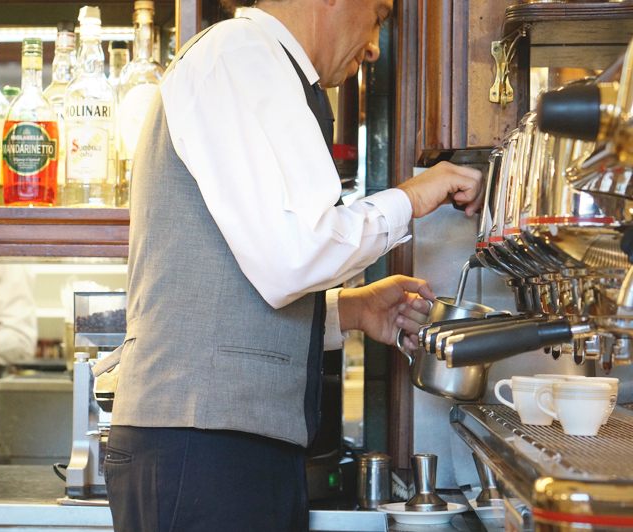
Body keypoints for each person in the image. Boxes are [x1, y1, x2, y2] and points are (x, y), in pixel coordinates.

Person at [104, 0, 483, 529]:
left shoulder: (253, 61)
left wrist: (352, 311)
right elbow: (294, 257)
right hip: (202, 449)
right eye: (378, 15)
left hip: (215, 446)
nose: (374, 46)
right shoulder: (239, 55)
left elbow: (244, 281)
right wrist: (412, 198)